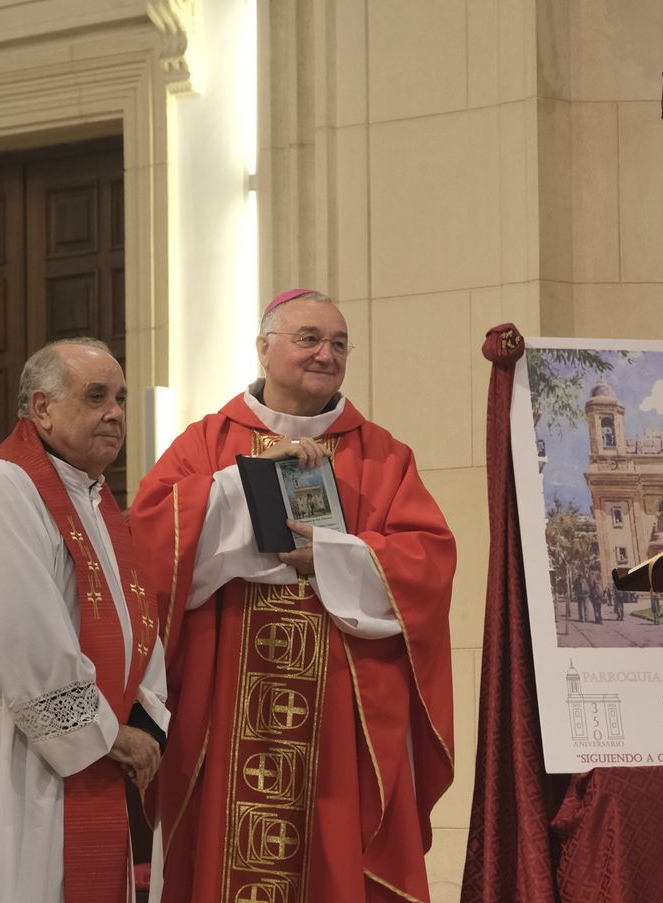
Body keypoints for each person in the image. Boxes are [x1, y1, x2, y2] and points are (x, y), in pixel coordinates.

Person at [130, 289, 456, 902]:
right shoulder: (207, 443)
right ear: (264, 348)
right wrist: (241, 485)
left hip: (338, 710)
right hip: (226, 700)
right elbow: (150, 539)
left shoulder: (383, 455)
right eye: (308, 339)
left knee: (332, 858)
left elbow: (429, 564)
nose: (325, 355)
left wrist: (332, 559)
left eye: (338, 344)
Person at [0, 338, 168, 903]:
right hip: (5, 735)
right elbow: (24, 633)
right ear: (42, 408)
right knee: (12, 876)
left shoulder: (95, 500)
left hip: (75, 731)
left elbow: (135, 618)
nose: (115, 412)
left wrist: (144, 717)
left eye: (120, 398)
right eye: (96, 396)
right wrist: (104, 732)